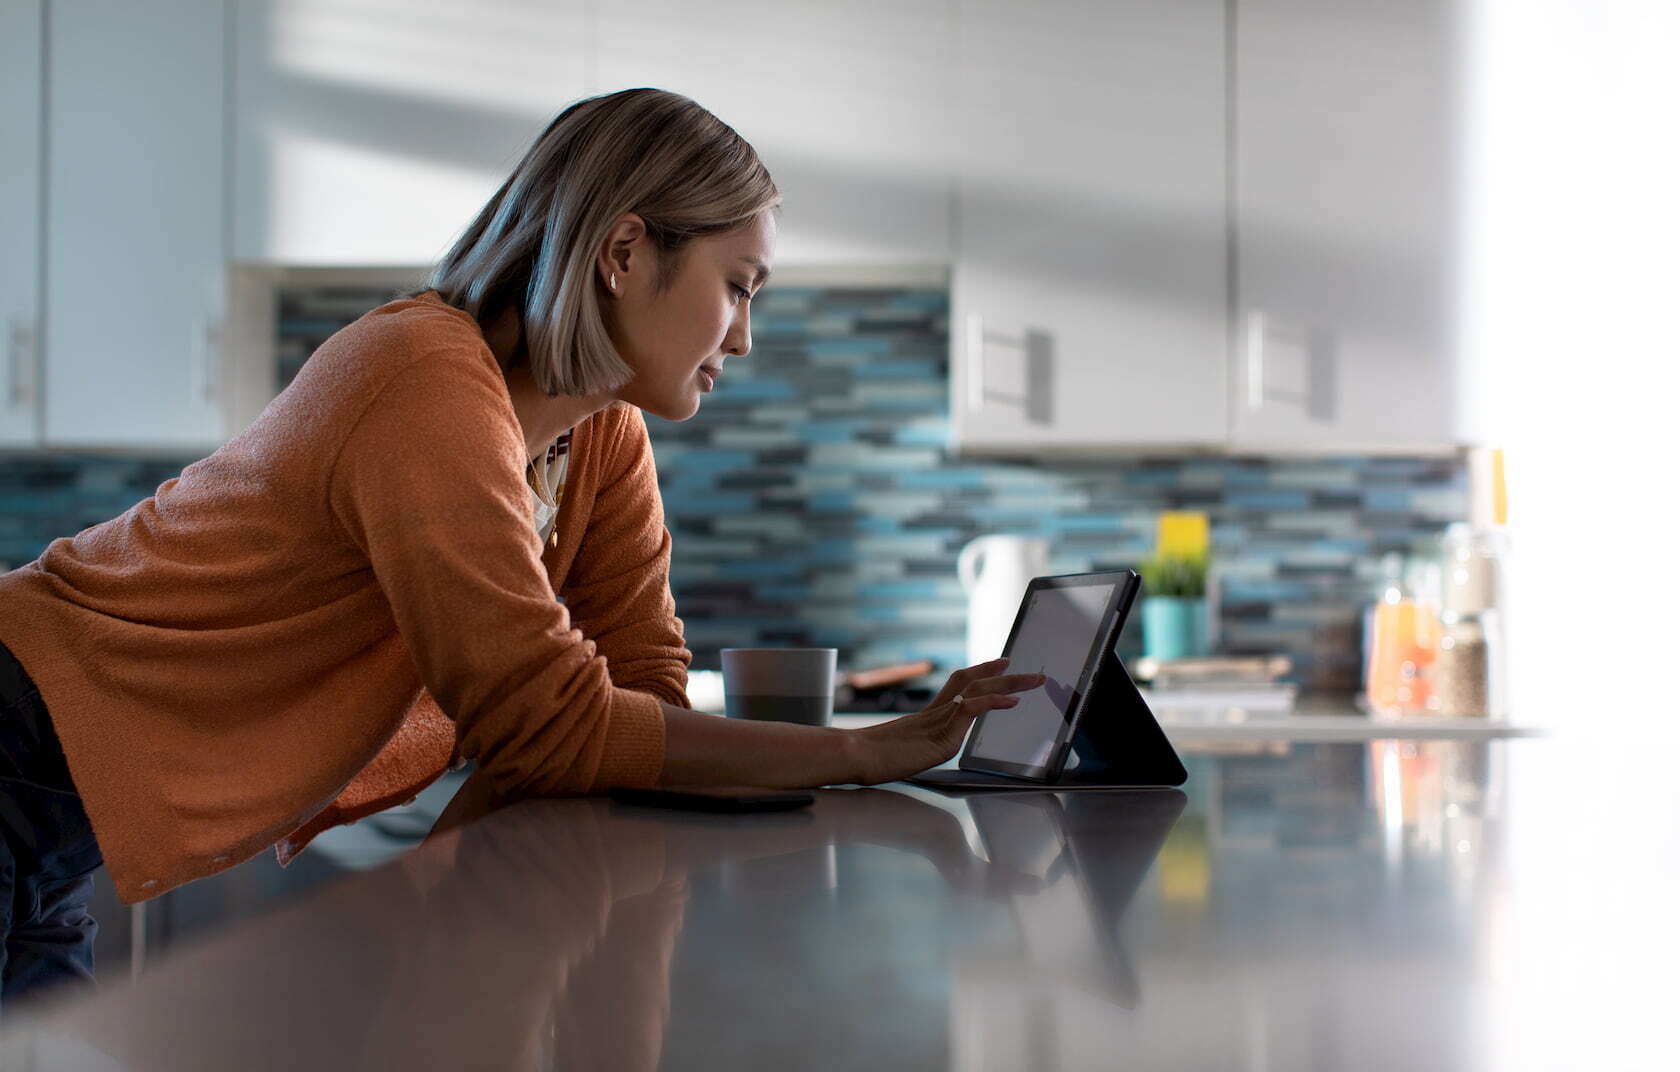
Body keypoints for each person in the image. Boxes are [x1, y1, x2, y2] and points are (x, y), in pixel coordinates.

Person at [0, 87, 1044, 1008]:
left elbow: (637, 693)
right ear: (626, 251)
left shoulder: (599, 434)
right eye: (738, 285)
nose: (743, 338)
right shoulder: (421, 377)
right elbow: (554, 722)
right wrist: (869, 750)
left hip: (55, 809)